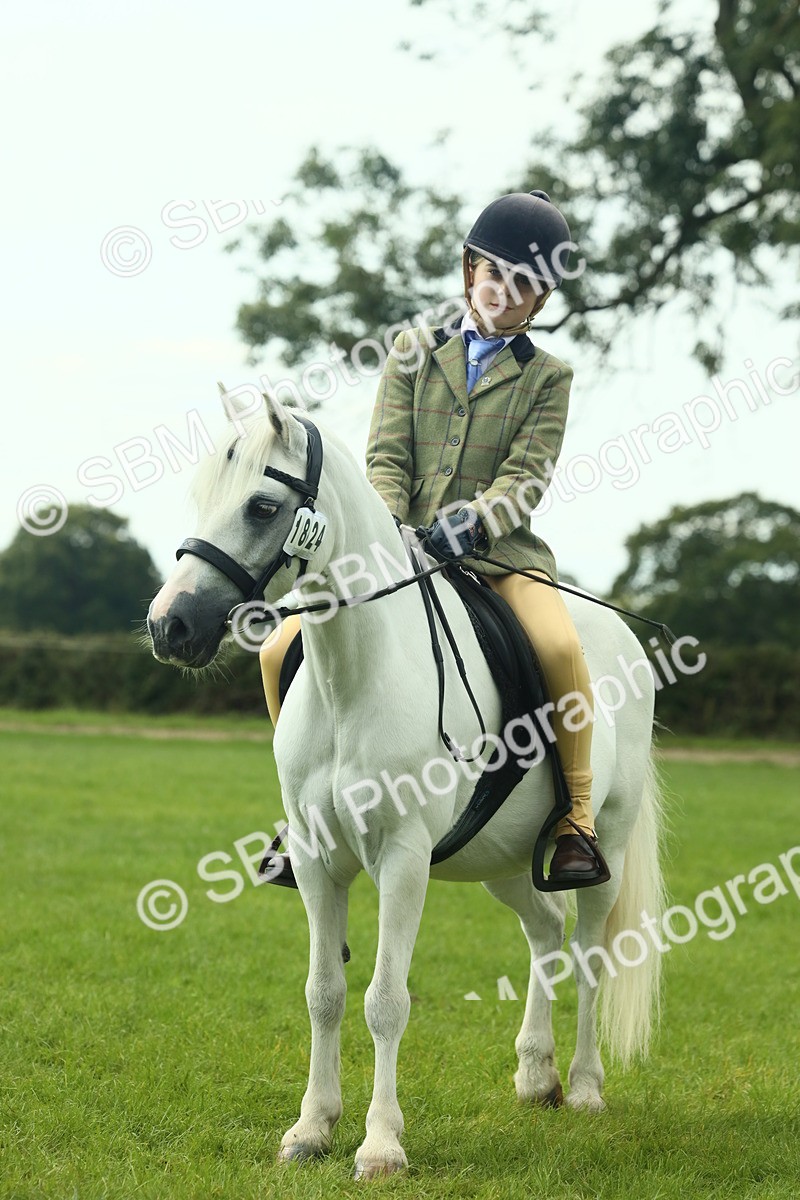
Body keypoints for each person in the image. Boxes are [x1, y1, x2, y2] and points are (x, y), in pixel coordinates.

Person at [259, 189, 605, 888]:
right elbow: (386, 456)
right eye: (496, 274)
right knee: (276, 646)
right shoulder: (413, 352)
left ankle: (577, 818)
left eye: (526, 284)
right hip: (397, 550)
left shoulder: (548, 378)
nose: (506, 292)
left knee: (563, 647)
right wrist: (393, 529)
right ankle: (299, 820)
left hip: (498, 557)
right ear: (469, 269)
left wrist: (475, 520)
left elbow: (527, 477)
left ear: (540, 300)